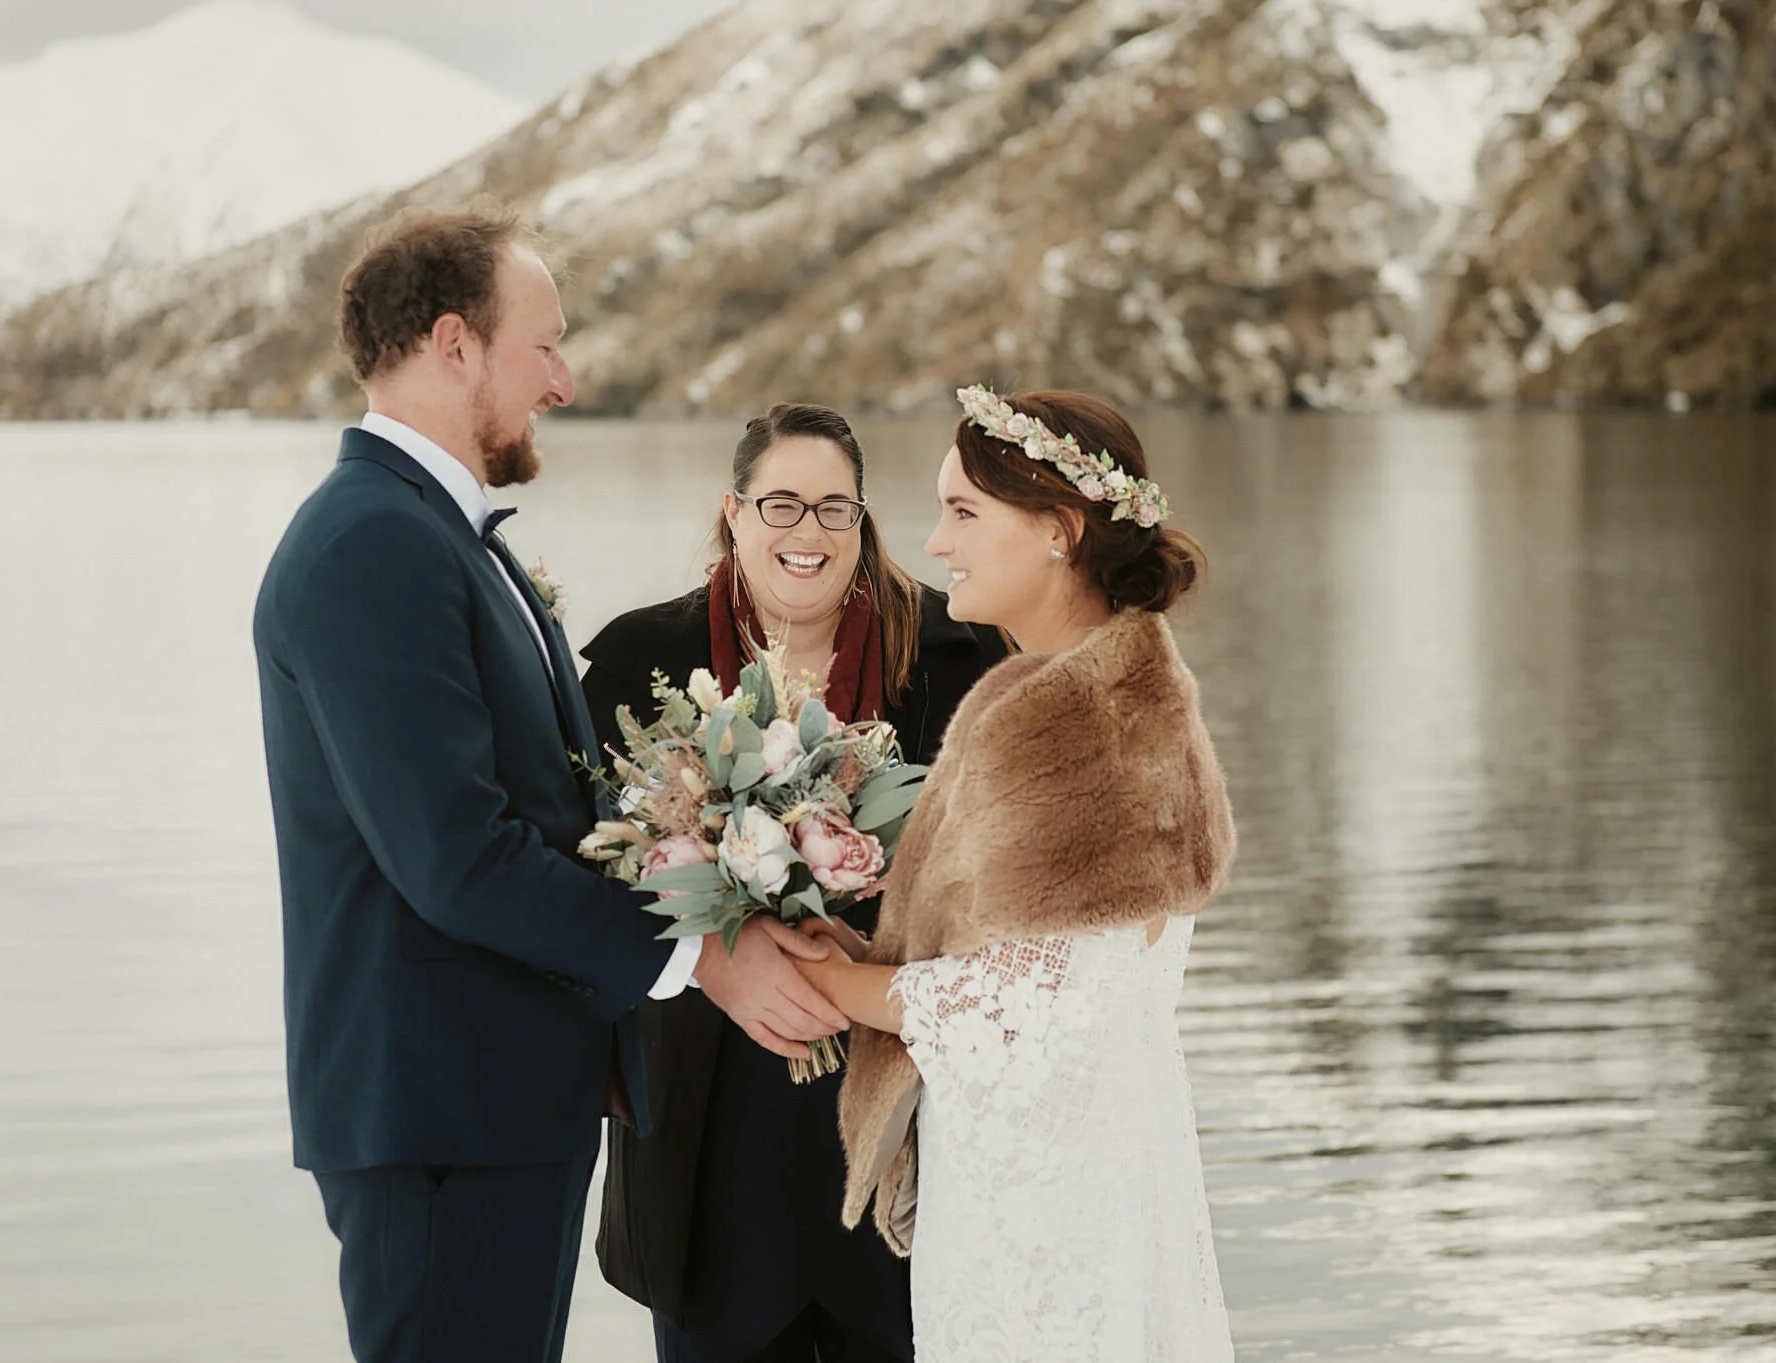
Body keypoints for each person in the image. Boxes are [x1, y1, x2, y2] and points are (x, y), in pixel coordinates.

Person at [250, 202, 848, 1363]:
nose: (563, 383)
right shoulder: (370, 545)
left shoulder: (434, 533)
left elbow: (549, 810)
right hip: (439, 1111)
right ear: (453, 344)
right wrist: (701, 957)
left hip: (492, 1102)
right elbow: (457, 855)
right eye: (545, 345)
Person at [796, 388, 1239, 1361]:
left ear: (1057, 530)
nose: (936, 542)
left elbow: (1023, 1006)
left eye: (962, 511)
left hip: (1048, 1207)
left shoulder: (1070, 722)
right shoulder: (1128, 690)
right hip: (1099, 1161)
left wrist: (824, 979)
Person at [579, 402, 1010, 1363]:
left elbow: (1005, 882)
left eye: (833, 508)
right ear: (734, 512)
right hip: (708, 1132)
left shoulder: (960, 656)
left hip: (901, 1129)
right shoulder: (637, 663)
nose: (807, 531)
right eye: (781, 504)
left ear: (861, 519)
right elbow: (584, 879)